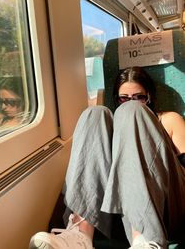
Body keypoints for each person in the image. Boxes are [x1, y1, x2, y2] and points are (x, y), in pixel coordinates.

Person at [29, 66, 185, 249]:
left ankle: (145, 238)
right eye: (124, 98)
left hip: (166, 208)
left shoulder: (168, 119)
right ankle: (80, 236)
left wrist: (147, 156)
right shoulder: (110, 126)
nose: (131, 101)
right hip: (115, 213)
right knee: (94, 114)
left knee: (132, 111)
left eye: (139, 97)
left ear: (149, 96)